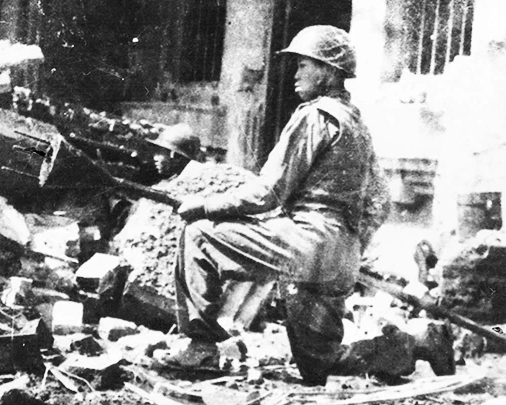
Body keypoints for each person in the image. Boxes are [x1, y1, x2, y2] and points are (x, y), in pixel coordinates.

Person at [171, 25, 454, 385]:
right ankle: (418, 343)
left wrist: (205, 206)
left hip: (308, 242)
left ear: (330, 72)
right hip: (339, 253)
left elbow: (267, 194)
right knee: (319, 362)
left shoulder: (313, 116)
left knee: (199, 235)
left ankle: (200, 347)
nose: (295, 74)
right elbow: (380, 202)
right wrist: (348, 247)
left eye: (305, 64)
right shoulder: (357, 125)